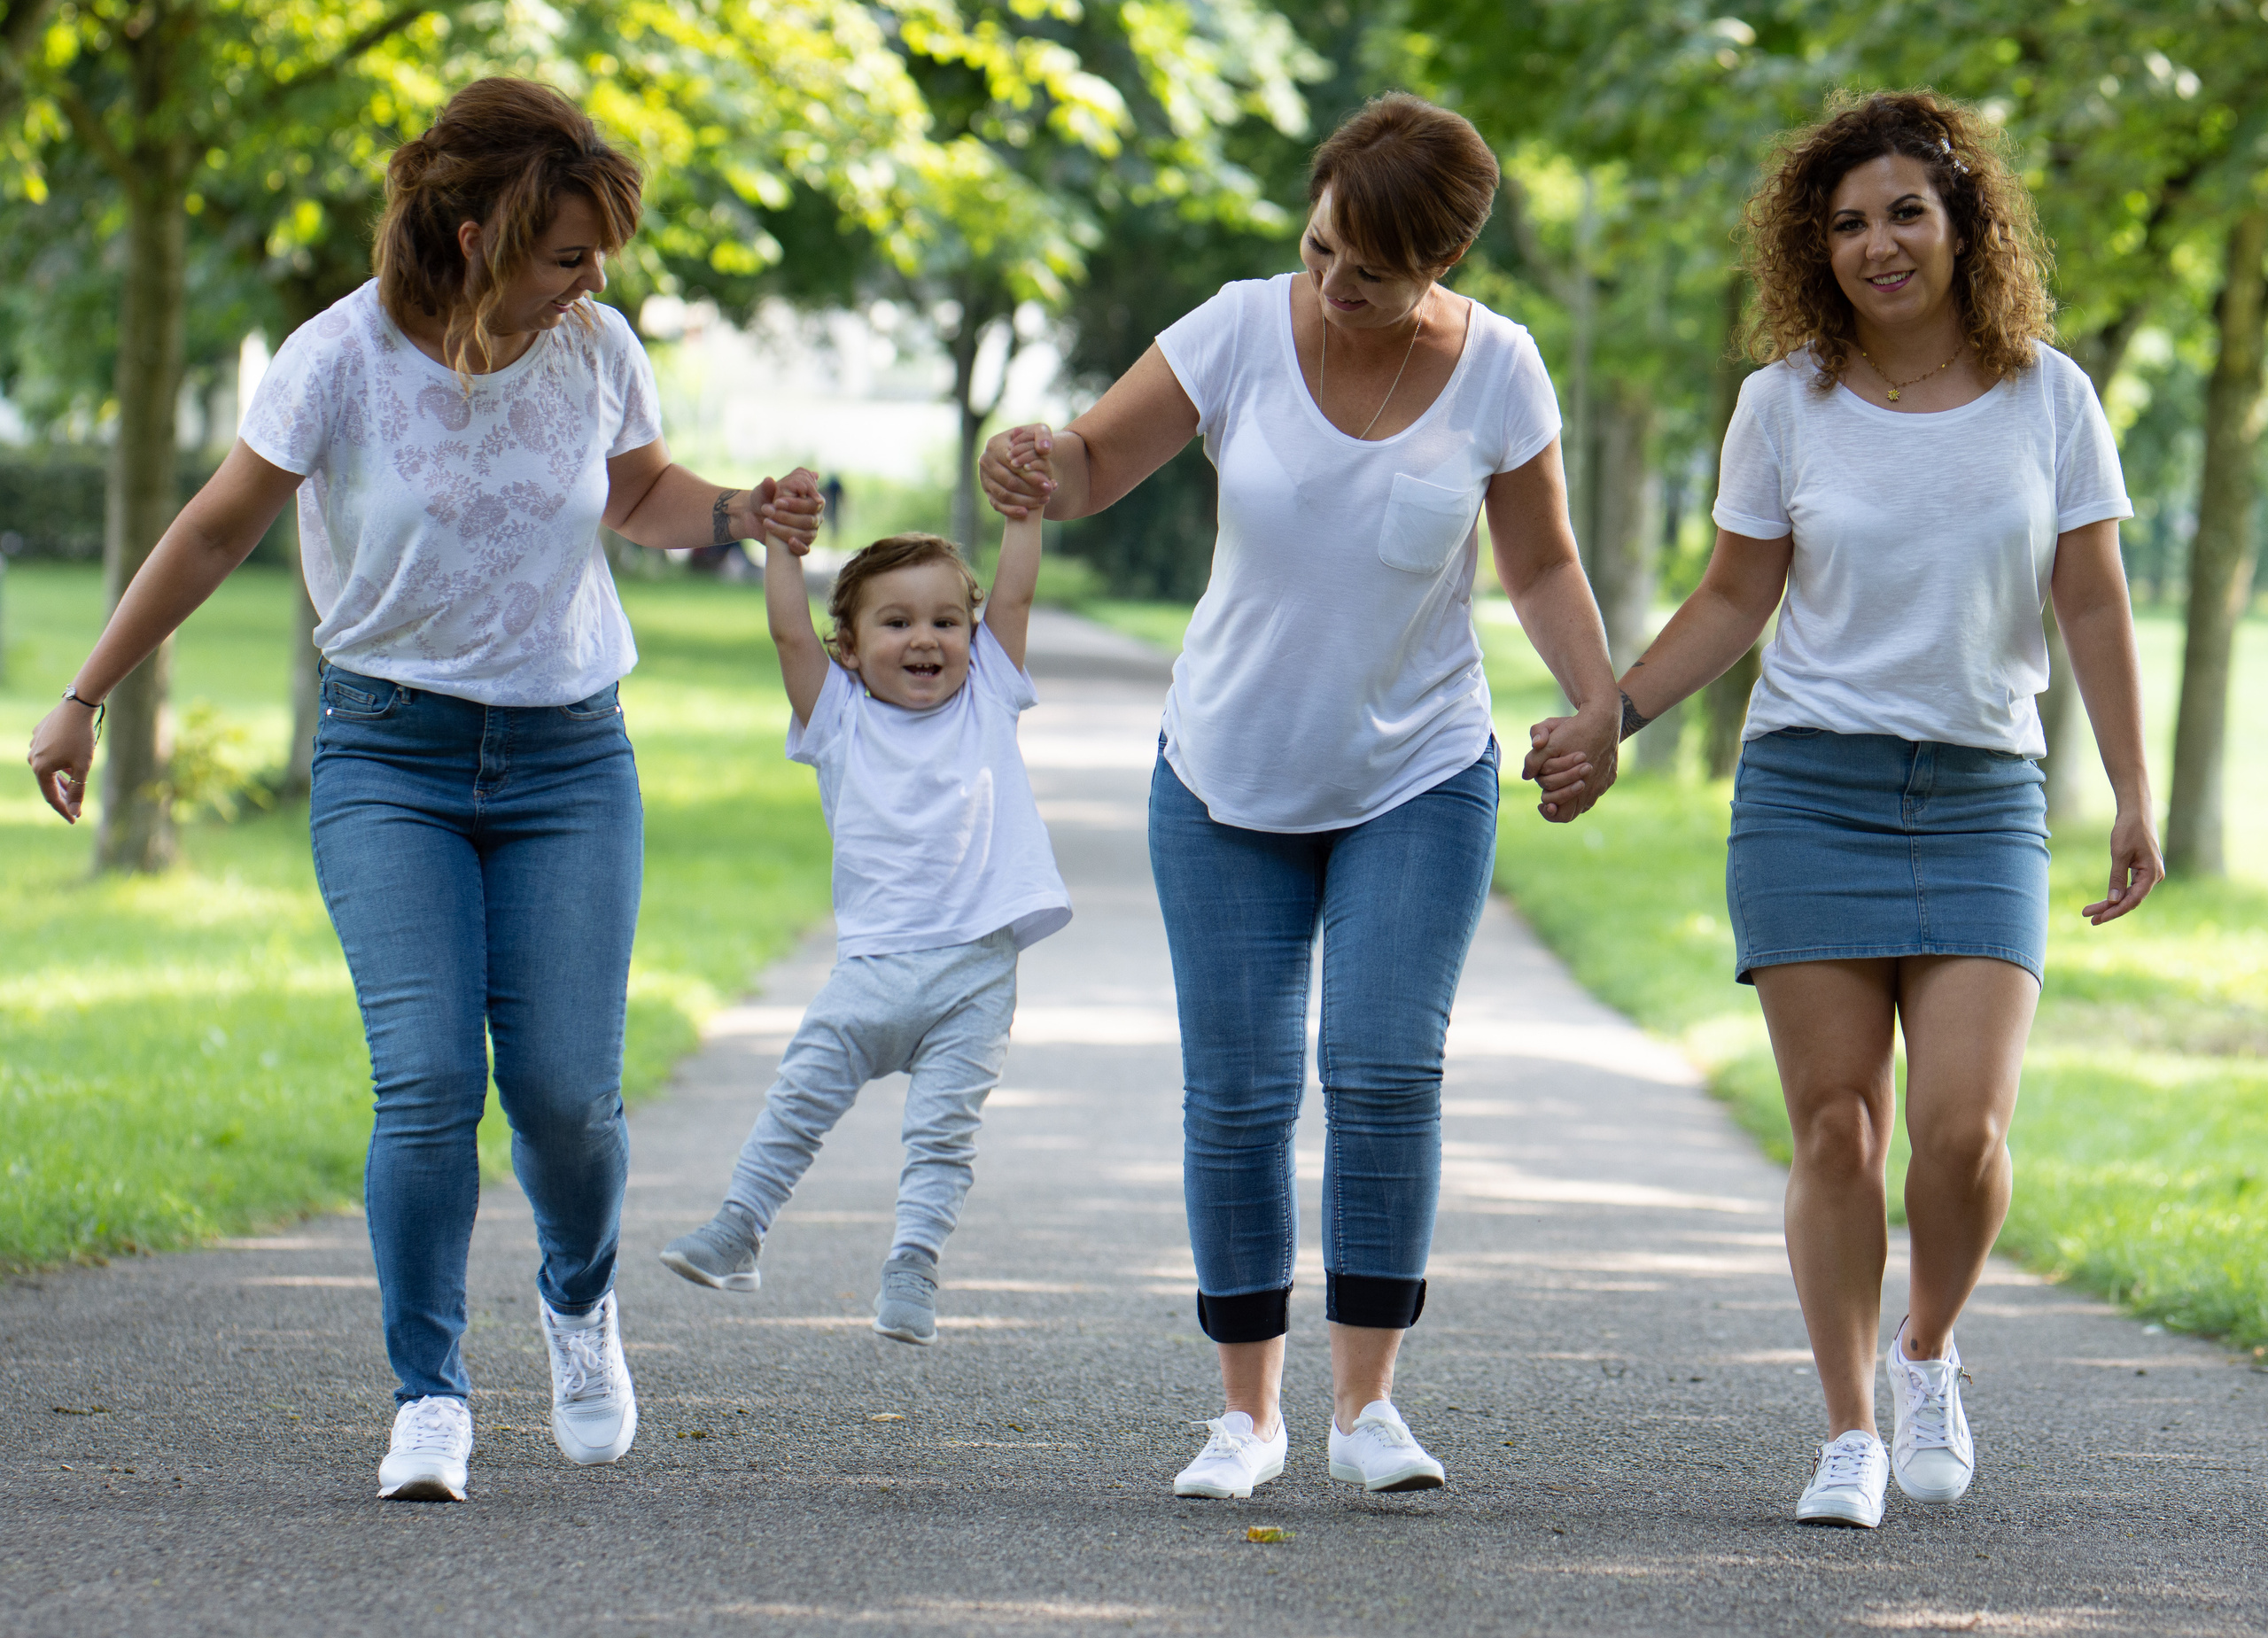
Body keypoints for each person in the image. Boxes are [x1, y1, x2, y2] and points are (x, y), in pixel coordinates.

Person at [25, 78, 824, 1503]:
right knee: (431, 1079)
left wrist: (736, 514)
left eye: (597, 257)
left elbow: (637, 496)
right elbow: (214, 532)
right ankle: (430, 1392)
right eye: (566, 253)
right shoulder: (336, 358)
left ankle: (579, 1307)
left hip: (571, 755)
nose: (593, 281)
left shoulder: (596, 348)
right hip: (389, 755)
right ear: (471, 236)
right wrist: (86, 694)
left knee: (571, 1097)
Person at [1528, 89, 2161, 1528]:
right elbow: (1736, 595)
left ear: (1963, 226)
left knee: (1964, 1133)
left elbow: (2092, 597)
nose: (1878, 243)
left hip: (1983, 792)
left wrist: (2131, 786)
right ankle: (1848, 1424)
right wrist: (1610, 715)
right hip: (1811, 787)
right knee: (1833, 1126)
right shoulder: (1785, 403)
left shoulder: (2048, 395)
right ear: (1818, 247)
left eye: (1905, 214)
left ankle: (1929, 1345)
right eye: (1850, 221)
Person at [981, 92, 1619, 1500]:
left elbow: (1544, 565)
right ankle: (1246, 1416)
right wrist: (1034, 463)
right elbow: (1093, 462)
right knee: (1242, 1095)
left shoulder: (1503, 372)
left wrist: (1600, 703)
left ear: (1442, 262)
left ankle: (1367, 1407)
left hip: (1419, 768)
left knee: (1386, 1071)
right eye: (1322, 245)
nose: (1334, 284)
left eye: (1372, 272)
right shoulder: (1234, 328)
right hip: (1224, 775)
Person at [657, 480, 1071, 1345]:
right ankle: (739, 1229)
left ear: (972, 636)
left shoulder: (988, 692)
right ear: (848, 647)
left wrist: (1022, 515)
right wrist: (779, 546)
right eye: (896, 622)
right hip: (871, 973)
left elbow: (1017, 593)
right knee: (798, 1098)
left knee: (942, 1134)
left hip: (975, 973)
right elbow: (784, 629)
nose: (924, 638)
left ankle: (912, 1268)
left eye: (945, 622)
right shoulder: (837, 716)